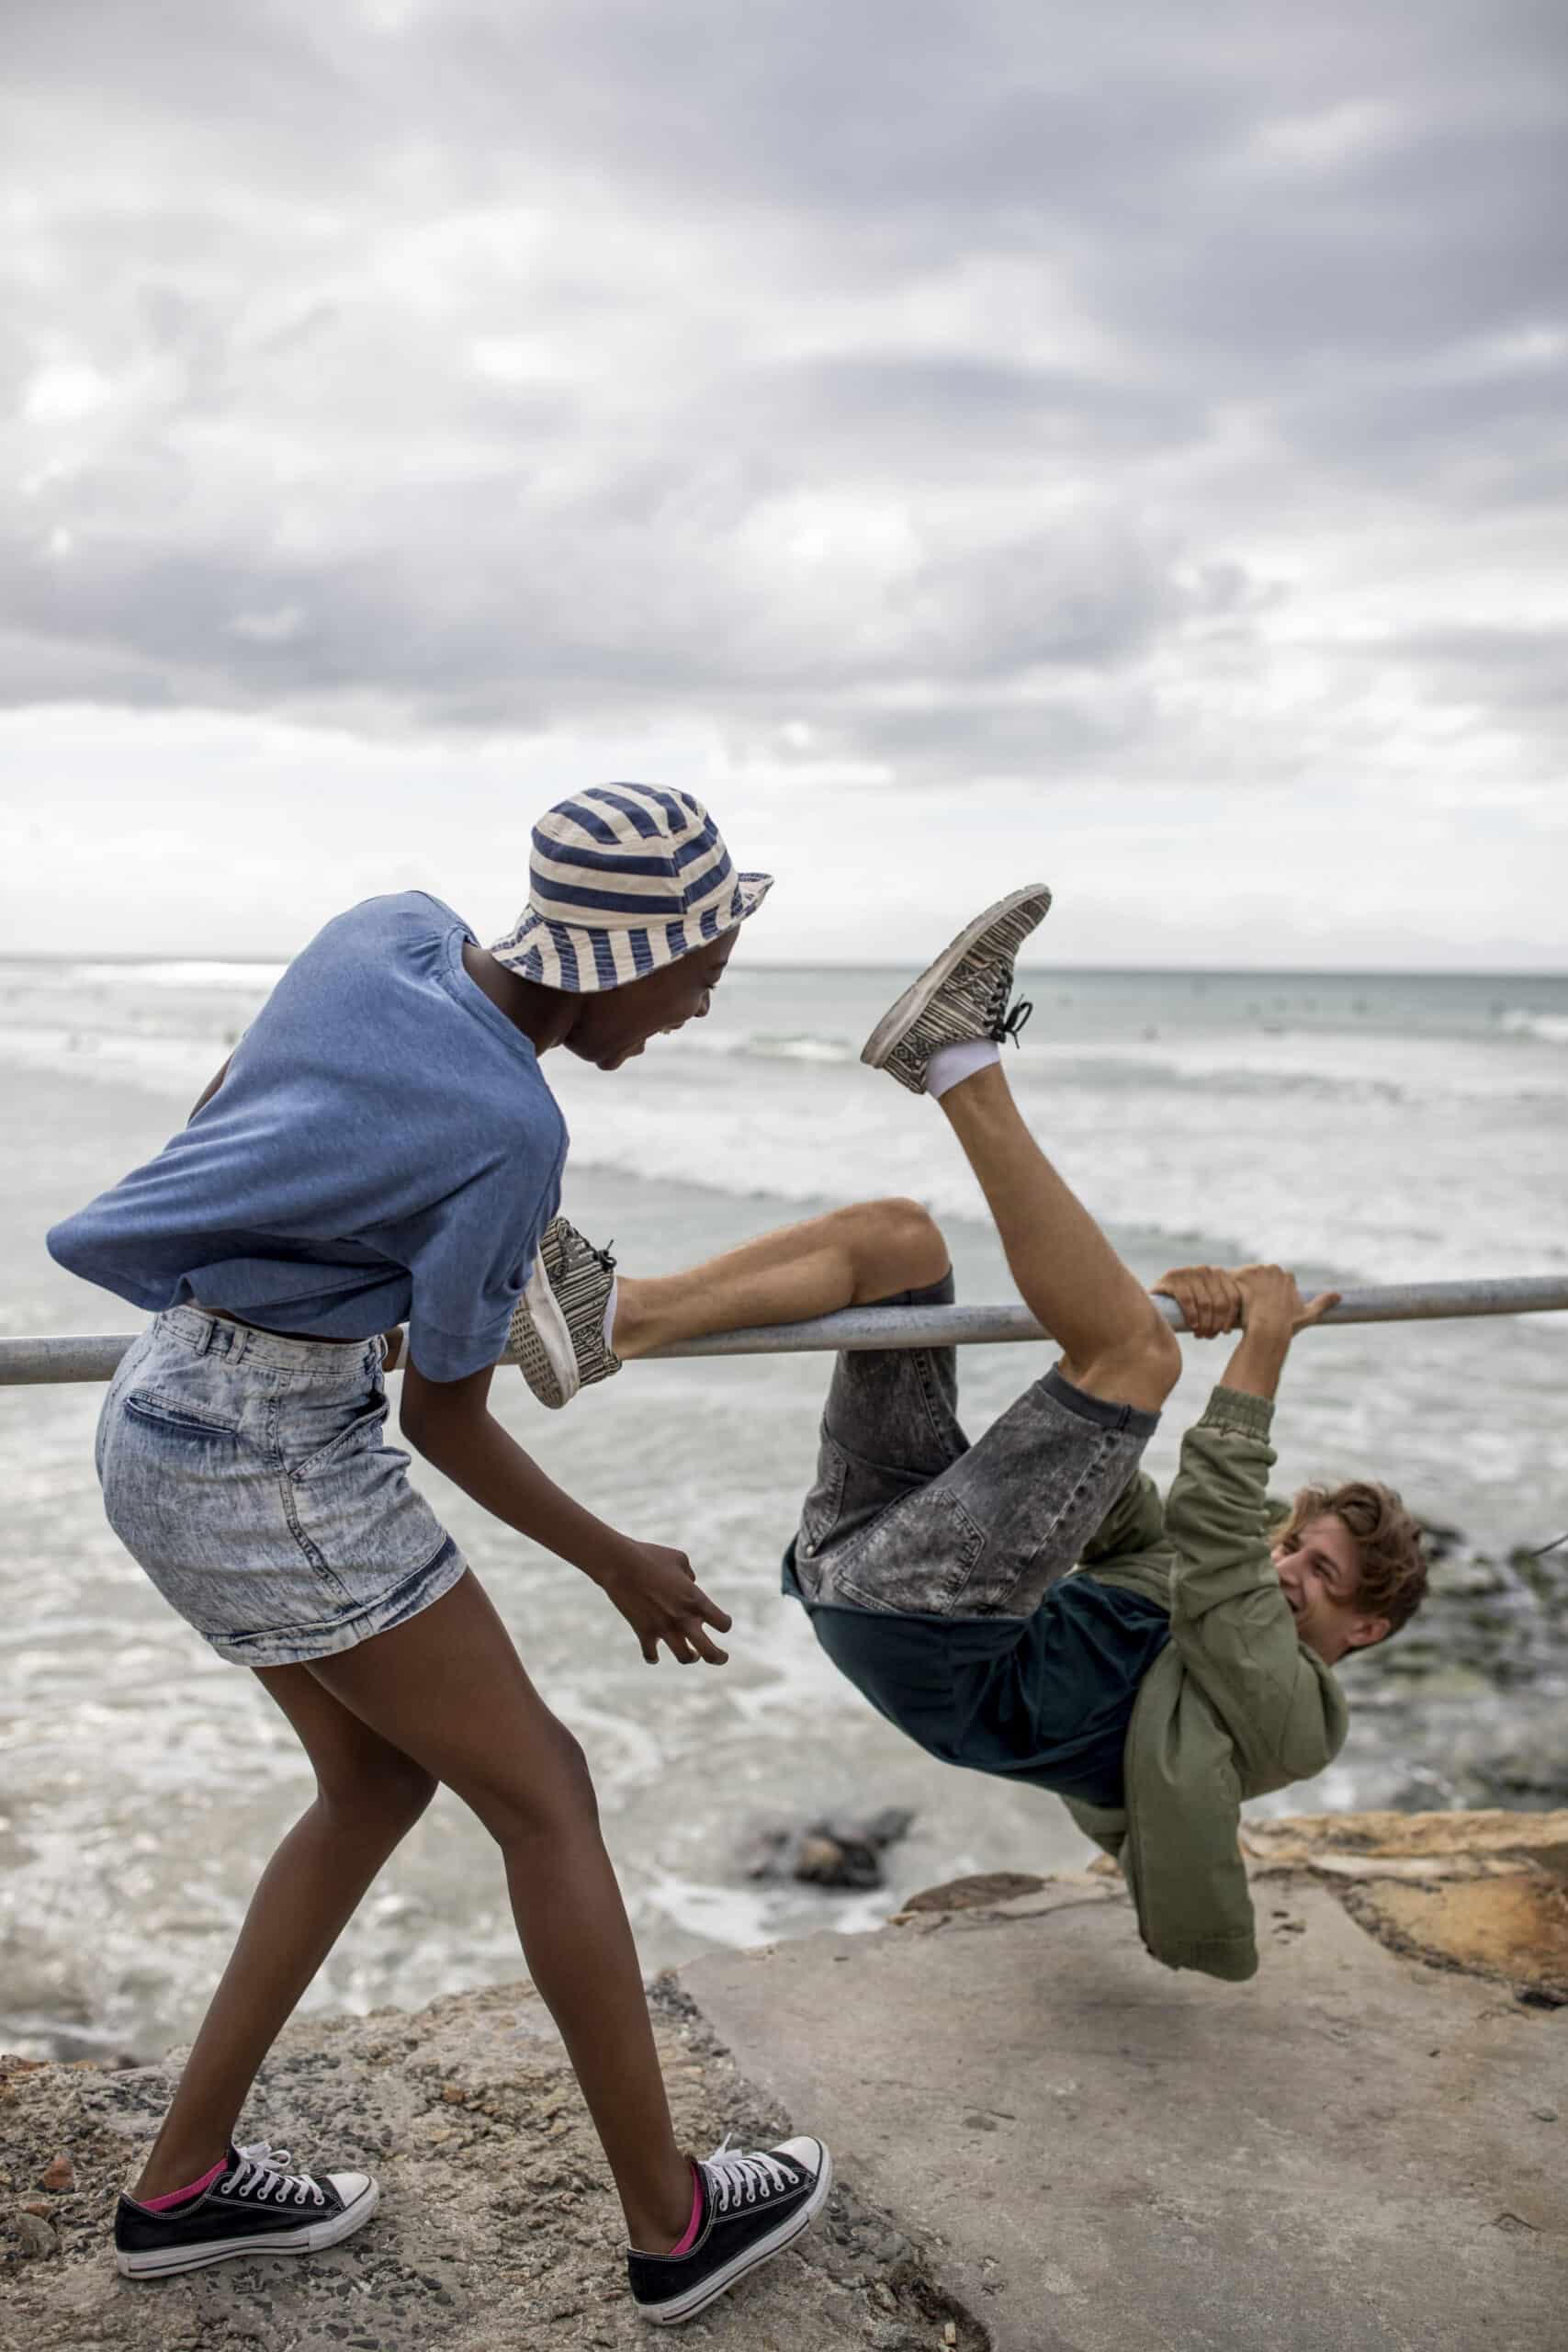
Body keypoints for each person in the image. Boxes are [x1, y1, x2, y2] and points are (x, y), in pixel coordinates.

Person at [46, 783, 830, 2328]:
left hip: (173, 1397)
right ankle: (674, 2225)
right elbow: (453, 1421)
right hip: (272, 1459)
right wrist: (619, 1562)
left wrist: (362, 1239)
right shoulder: (510, 1128)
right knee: (546, 1800)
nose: (702, 1004)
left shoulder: (384, 931)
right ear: (621, 964)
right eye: (698, 970)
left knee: (374, 1781)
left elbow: (244, 1110)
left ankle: (182, 2185)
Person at [538, 888, 1428, 1984]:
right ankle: (615, 1319)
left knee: (1131, 1367)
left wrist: (1255, 1350)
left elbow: (1215, 1558)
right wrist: (1143, 1304)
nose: (1288, 1568)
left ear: (1368, 1626)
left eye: (1324, 1573)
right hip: (863, 1554)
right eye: (1296, 1547)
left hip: (943, 1638)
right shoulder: (1204, 1576)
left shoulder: (1297, 1720)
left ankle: (956, 1053)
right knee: (899, 1242)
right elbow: (1102, 1492)